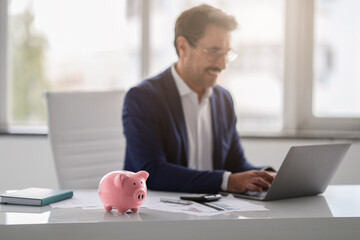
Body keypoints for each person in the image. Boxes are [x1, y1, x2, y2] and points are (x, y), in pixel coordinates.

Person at [122, 4, 275, 194]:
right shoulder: (144, 98)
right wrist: (227, 182)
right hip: (161, 214)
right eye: (214, 52)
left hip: (214, 212)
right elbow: (151, 172)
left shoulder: (223, 99)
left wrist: (267, 176)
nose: (223, 64)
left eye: (227, 53)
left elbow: (236, 163)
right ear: (183, 46)